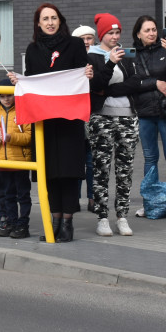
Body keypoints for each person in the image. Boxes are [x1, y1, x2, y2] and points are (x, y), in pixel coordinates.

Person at [9, 3, 94, 242]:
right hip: (43, 122)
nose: (50, 22)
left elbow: (83, 75)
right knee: (49, 173)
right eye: (45, 18)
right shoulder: (33, 49)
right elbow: (32, 81)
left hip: (68, 120)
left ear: (60, 20)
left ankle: (67, 222)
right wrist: (19, 81)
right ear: (38, 23)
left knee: (68, 172)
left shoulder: (75, 45)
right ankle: (53, 221)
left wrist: (88, 75)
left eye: (53, 18)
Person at [130, 15, 166, 219]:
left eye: (154, 29)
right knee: (150, 159)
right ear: (138, 33)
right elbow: (133, 83)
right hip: (145, 113)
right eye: (147, 30)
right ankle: (150, 201)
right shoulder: (133, 56)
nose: (152, 33)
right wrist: (156, 83)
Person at [87, 13, 140, 236]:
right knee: (101, 169)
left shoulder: (126, 54)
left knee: (125, 170)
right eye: (111, 33)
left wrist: (109, 90)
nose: (115, 37)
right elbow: (95, 83)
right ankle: (102, 218)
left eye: (118, 33)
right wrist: (110, 62)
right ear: (102, 35)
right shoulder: (92, 56)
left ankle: (122, 216)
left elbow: (134, 83)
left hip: (128, 117)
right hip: (102, 117)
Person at [0, 79, 33, 238]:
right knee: (8, 194)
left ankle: (23, 224)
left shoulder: (23, 111)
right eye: (2, 96)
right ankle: (12, 222)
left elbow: (28, 137)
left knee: (23, 195)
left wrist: (10, 137)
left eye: (9, 95)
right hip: (2, 160)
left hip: (20, 161)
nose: (6, 99)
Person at [73, 24, 98, 212]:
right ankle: (74, 199)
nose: (87, 42)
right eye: (83, 39)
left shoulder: (99, 60)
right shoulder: (71, 62)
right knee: (75, 162)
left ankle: (92, 198)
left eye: (89, 38)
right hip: (75, 118)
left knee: (92, 162)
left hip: (93, 116)